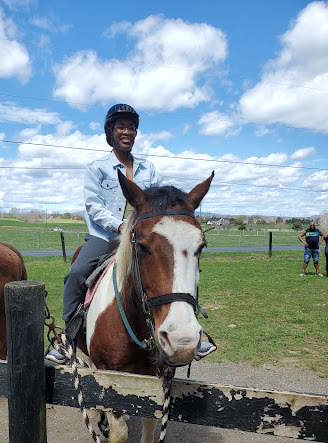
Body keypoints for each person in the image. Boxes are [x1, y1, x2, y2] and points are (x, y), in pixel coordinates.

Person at [46, 103, 216, 363]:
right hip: (105, 237)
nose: (127, 131)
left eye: (131, 128)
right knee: (78, 273)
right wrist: (120, 225)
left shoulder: (149, 169)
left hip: (143, 235)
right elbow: (93, 206)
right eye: (121, 127)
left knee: (176, 268)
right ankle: (68, 337)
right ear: (110, 132)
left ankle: (190, 331)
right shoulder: (97, 168)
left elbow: (158, 206)